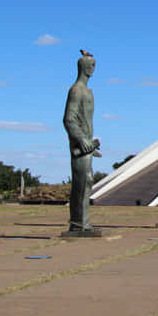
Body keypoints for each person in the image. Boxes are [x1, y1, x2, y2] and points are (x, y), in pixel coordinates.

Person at [63, 49, 100, 231]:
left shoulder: (88, 91)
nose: (93, 69)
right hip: (80, 146)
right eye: (91, 65)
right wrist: (81, 139)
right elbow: (68, 119)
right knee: (81, 182)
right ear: (83, 67)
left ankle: (83, 221)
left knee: (88, 181)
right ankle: (78, 223)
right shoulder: (76, 91)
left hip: (87, 146)